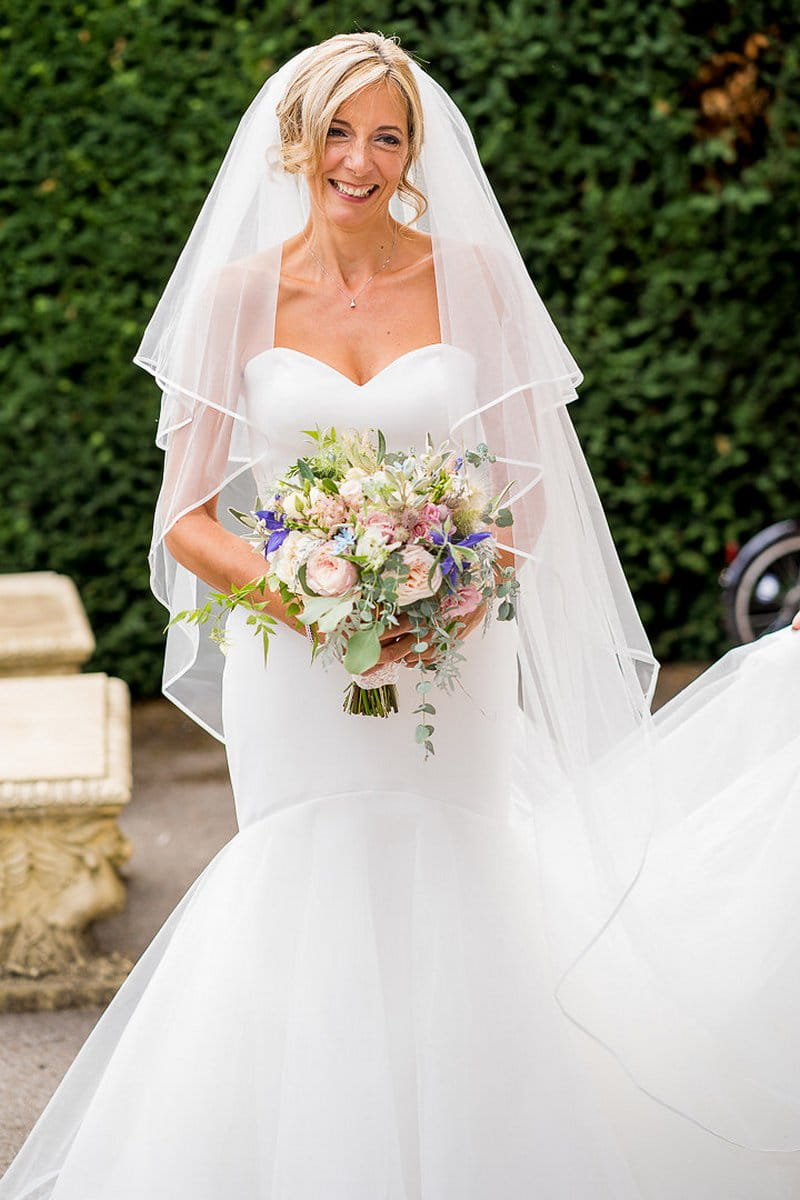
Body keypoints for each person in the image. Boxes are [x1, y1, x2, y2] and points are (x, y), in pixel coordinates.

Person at [2, 31, 799, 1200]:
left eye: (387, 136)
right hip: (295, 660)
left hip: (454, 652)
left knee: (456, 880)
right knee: (304, 880)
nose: (359, 158)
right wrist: (307, 600)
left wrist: (449, 591)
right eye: (338, 131)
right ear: (295, 142)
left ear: (415, 154)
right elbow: (185, 520)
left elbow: (522, 495)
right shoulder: (236, 299)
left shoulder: (466, 281)